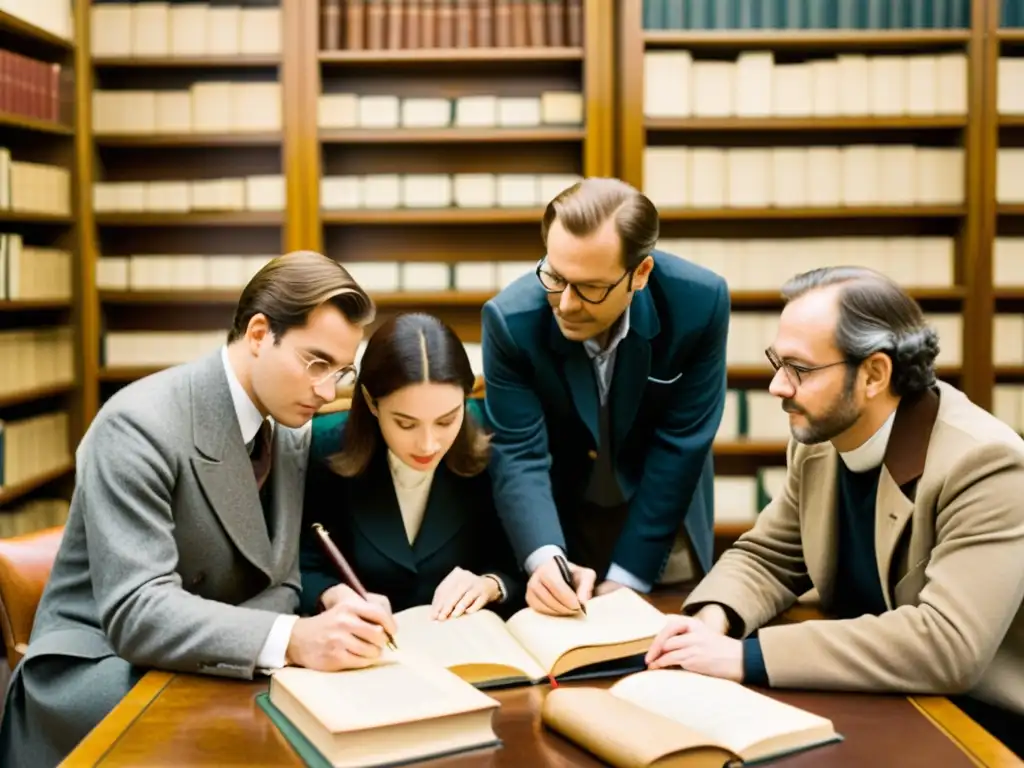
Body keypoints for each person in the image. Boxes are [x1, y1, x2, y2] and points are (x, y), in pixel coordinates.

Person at [0, 251, 399, 768]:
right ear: (258, 334)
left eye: (340, 372)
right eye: (315, 363)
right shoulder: (136, 424)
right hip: (102, 672)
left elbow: (282, 580)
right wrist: (292, 637)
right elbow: (139, 613)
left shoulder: (287, 422)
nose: (326, 392)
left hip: (213, 659)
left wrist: (322, 607)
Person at [645, 266, 1024, 758]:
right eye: (777, 363)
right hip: (875, 698)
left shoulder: (986, 462)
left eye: (799, 369)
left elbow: (946, 645)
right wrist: (713, 620)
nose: (779, 387)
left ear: (874, 374)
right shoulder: (820, 440)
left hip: (978, 726)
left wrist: (745, 657)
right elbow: (769, 556)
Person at [481, 177, 730, 616]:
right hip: (559, 512)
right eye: (555, 277)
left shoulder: (701, 303)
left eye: (591, 287)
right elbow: (519, 451)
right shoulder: (509, 320)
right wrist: (545, 559)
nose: (566, 304)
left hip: (662, 521)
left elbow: (682, 444)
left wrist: (629, 576)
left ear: (640, 273)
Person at [300, 313, 525, 622]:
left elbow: (521, 561)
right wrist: (332, 594)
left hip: (467, 647)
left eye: (446, 420)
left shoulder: (493, 438)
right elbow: (300, 564)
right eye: (406, 424)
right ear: (371, 402)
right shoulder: (325, 450)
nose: (428, 444)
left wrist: (491, 585)